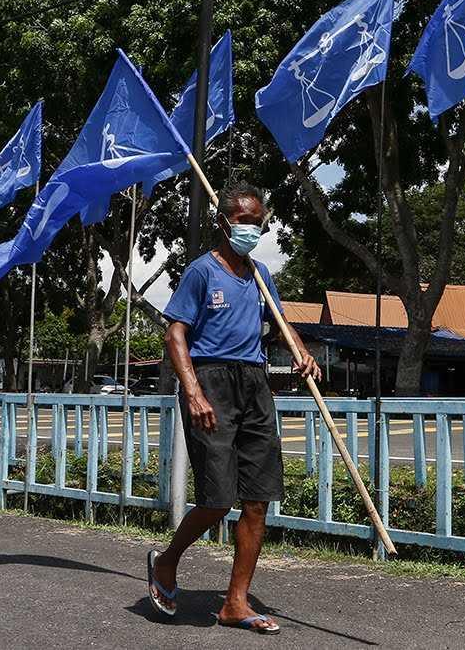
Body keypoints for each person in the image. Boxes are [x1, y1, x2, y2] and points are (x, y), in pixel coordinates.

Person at [146, 182, 320, 634]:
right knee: (218, 500)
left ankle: (235, 603)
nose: (251, 229)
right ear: (223, 222)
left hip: (254, 383)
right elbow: (175, 335)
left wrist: (301, 351)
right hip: (212, 382)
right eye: (244, 221)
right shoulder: (202, 272)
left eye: (257, 222)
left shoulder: (261, 275)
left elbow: (282, 326)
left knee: (258, 501)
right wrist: (193, 392)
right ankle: (166, 562)